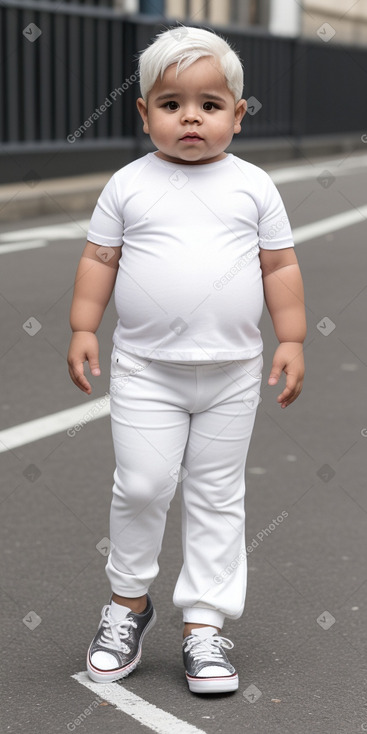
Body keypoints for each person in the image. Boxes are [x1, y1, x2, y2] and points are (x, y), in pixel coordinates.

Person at [67, 25, 306, 695]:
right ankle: (127, 604)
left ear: (237, 112)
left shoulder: (253, 186)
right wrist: (84, 325)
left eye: (208, 103)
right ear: (144, 114)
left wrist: (291, 339)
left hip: (231, 373)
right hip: (146, 369)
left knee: (214, 494)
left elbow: (278, 263)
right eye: (171, 104)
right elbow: (98, 259)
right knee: (141, 486)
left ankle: (203, 622)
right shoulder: (128, 184)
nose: (190, 118)